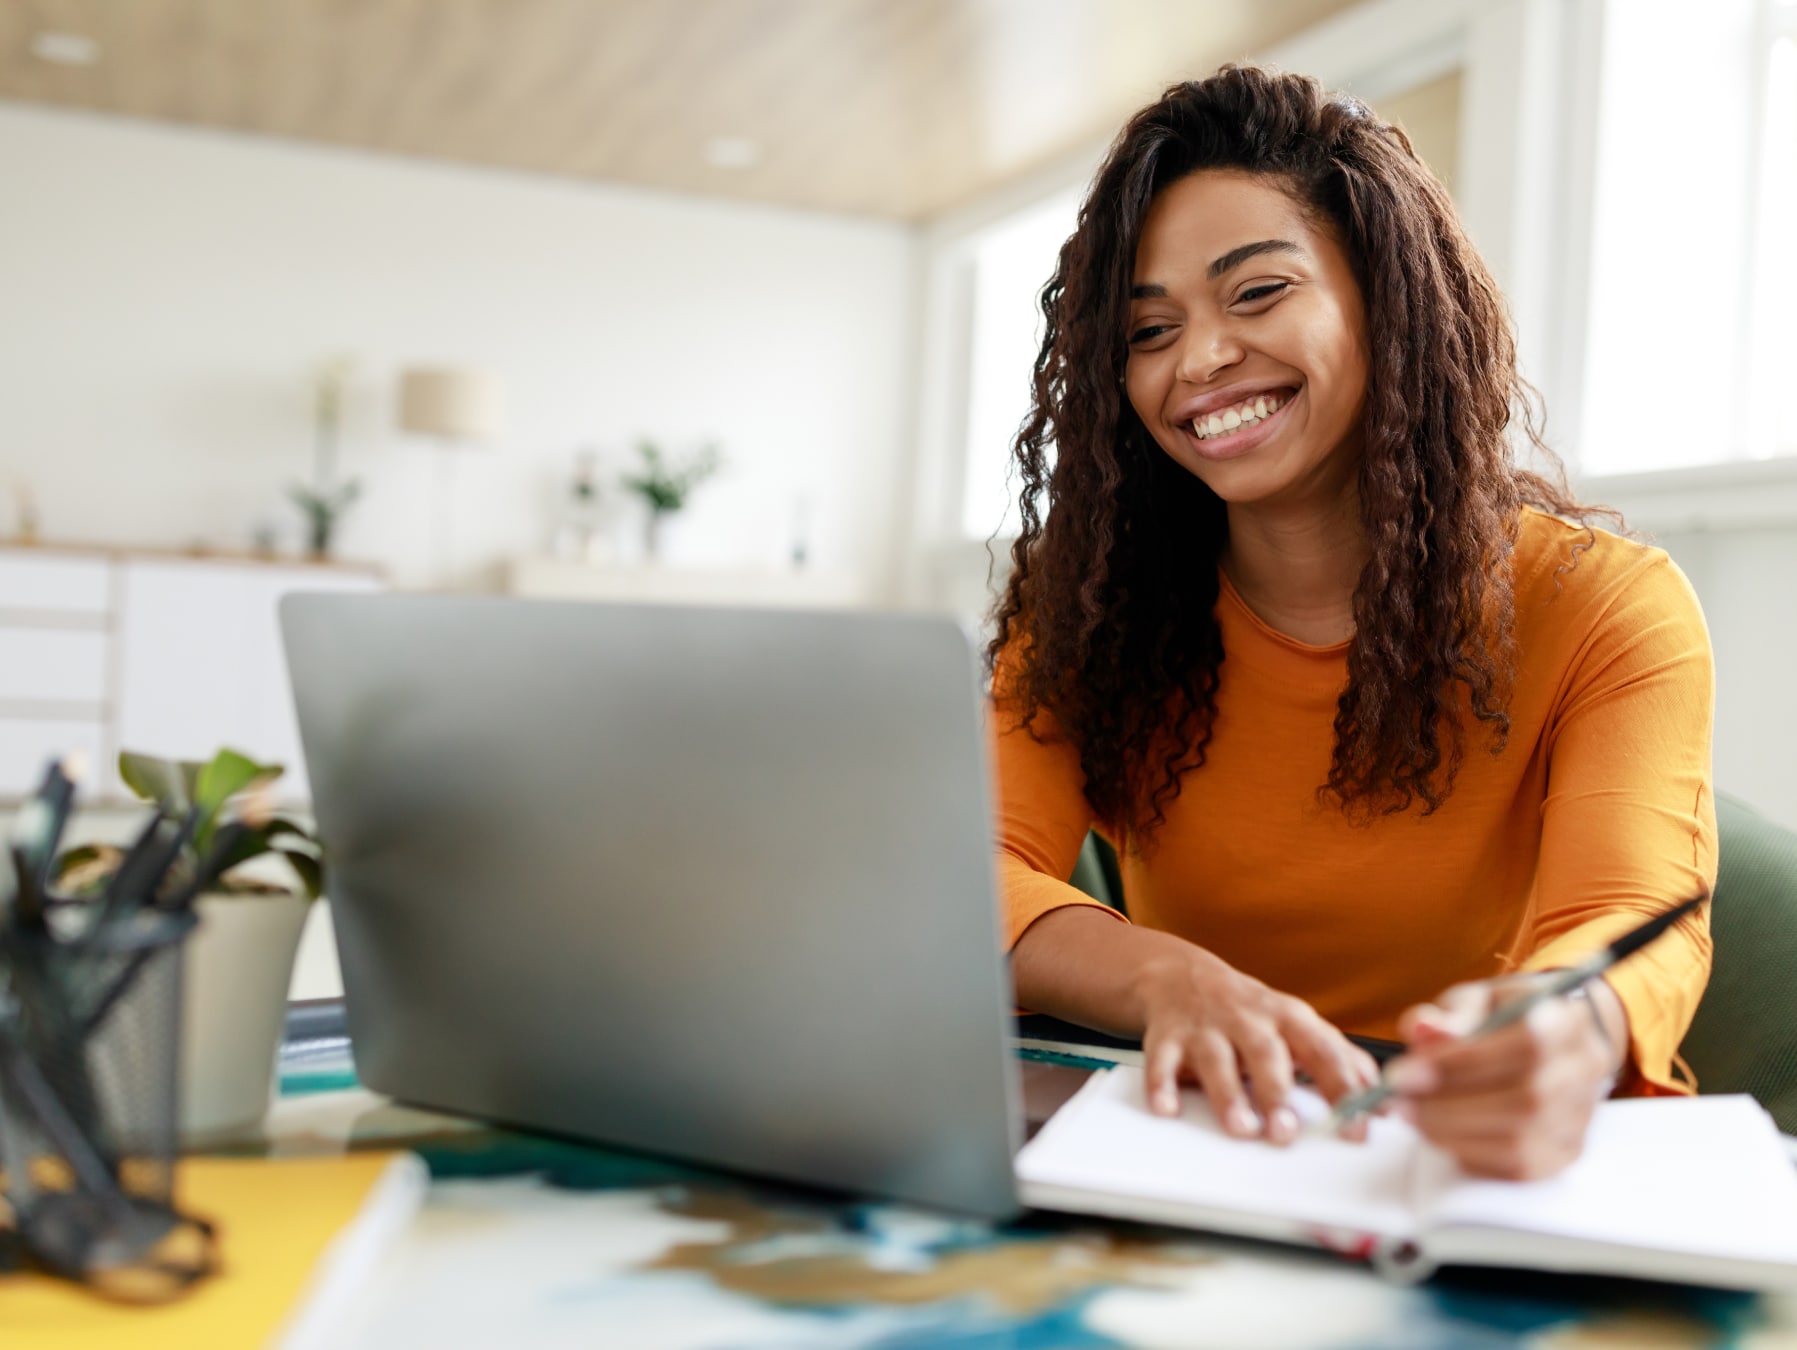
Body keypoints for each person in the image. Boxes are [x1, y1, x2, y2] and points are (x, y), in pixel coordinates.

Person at [989, 66, 1715, 1181]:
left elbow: (1630, 916)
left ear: (1388, 294)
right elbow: (972, 867)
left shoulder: (1609, 606)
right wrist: (1166, 978)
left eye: (1258, 292)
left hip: (1459, 1167)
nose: (1200, 360)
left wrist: (1568, 1032)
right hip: (1193, 1146)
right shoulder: (1090, 607)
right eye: (1148, 330)